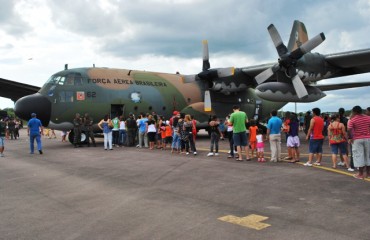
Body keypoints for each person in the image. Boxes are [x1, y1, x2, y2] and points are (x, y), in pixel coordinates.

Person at [347, 106, 370, 179]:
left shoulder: (353, 120)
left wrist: (350, 138)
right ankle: (368, 174)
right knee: (368, 156)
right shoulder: (368, 118)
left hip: (357, 139)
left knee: (359, 156)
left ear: (355, 112)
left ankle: (360, 174)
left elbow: (349, 130)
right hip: (367, 138)